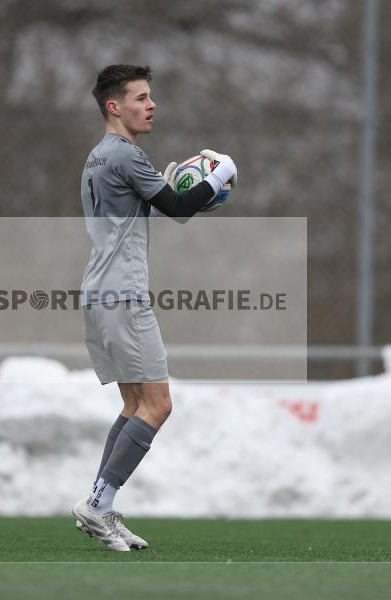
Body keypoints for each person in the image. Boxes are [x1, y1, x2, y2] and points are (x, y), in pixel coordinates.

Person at [72, 64, 238, 551]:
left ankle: (100, 505)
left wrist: (174, 196)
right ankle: (98, 505)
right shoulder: (126, 155)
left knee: (133, 405)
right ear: (113, 107)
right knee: (159, 405)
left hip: (99, 292)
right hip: (123, 294)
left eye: (150, 97)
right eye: (140, 97)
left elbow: (159, 205)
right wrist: (222, 172)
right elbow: (180, 209)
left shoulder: (99, 157)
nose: (151, 105)